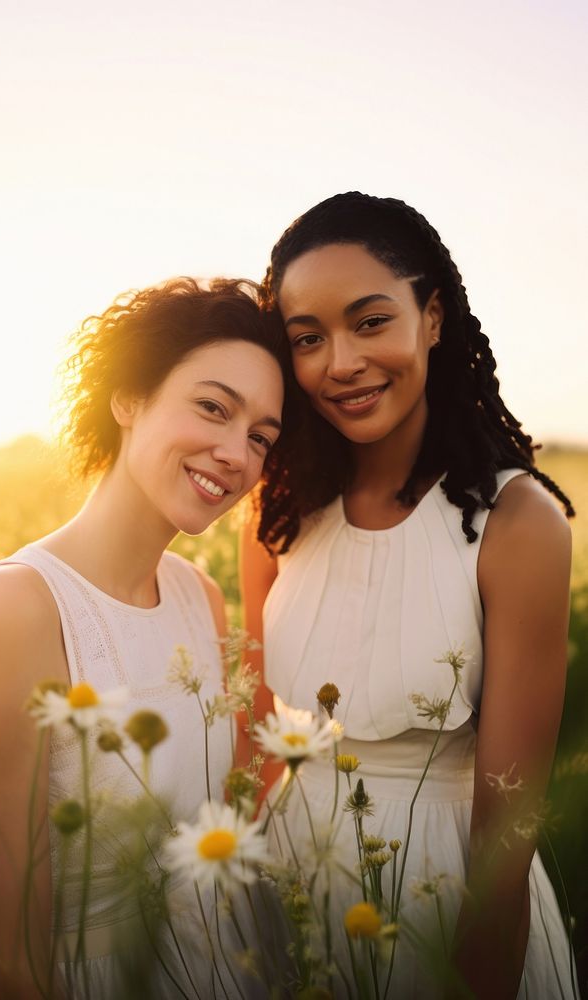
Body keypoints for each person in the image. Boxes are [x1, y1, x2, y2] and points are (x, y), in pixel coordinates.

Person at [240, 193, 575, 999]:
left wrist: (484, 949)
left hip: (438, 884)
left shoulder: (515, 520)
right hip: (285, 870)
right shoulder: (276, 509)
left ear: (431, 317)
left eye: (370, 321)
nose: (340, 363)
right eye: (307, 339)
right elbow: (254, 732)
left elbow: (510, 804)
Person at [0, 277, 285, 998]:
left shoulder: (200, 597)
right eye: (212, 408)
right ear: (128, 397)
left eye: (259, 438)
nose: (235, 454)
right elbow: (9, 966)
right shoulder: (11, 611)